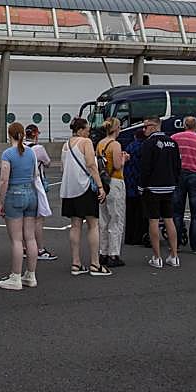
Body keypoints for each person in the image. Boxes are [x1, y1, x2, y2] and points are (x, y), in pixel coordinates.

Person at [62, 117, 109, 276]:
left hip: (70, 189)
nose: (89, 133)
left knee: (75, 225)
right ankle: (95, 264)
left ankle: (76, 263)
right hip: (85, 188)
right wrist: (100, 186)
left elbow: (64, 167)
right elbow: (91, 164)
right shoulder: (86, 142)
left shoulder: (66, 145)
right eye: (87, 130)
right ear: (81, 130)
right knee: (93, 225)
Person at [0, 122, 40, 290]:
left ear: (9, 135)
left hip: (14, 195)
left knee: (16, 239)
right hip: (31, 194)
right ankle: (31, 274)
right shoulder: (31, 152)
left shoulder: (7, 153)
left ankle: (15, 276)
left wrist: (1, 201)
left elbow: (4, 179)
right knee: (30, 237)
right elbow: (35, 174)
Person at [140, 116, 182, 268]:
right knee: (169, 219)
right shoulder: (172, 142)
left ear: (154, 126)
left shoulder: (148, 143)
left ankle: (157, 257)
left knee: (153, 220)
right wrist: (175, 181)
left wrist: (141, 186)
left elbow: (145, 167)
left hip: (152, 187)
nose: (143, 129)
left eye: (146, 126)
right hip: (169, 185)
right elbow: (178, 165)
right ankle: (174, 255)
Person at [170, 116, 196, 254]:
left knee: (177, 212)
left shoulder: (174, 138)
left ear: (183, 125)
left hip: (178, 174)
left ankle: (176, 244)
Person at [96, 117, 127, 267]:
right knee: (116, 218)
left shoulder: (100, 144)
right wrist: (124, 159)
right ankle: (114, 254)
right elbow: (117, 165)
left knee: (103, 219)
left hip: (103, 182)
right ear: (116, 129)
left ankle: (103, 252)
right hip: (115, 181)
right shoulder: (115, 144)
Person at [25, 125, 57, 261]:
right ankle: (39, 249)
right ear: (35, 135)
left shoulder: (19, 148)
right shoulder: (38, 149)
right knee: (38, 219)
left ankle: (25, 247)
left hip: (22, 185)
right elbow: (48, 162)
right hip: (36, 185)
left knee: (24, 219)